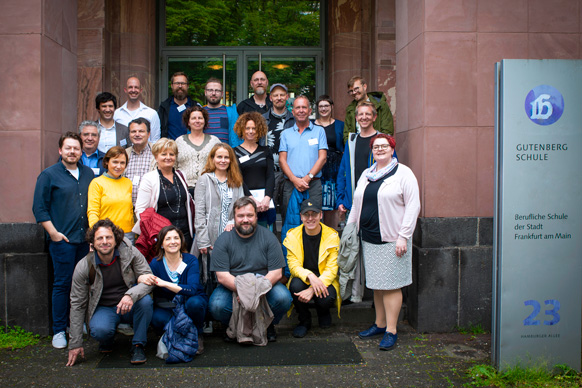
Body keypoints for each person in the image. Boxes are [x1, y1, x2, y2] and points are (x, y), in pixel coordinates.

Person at [347, 134, 420, 351]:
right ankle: (379, 324)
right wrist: (351, 231)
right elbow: (356, 203)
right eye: (375, 146)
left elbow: (413, 206)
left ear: (392, 149)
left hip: (393, 239)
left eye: (384, 146)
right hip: (369, 238)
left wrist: (404, 236)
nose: (379, 149)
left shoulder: (403, 173)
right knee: (377, 286)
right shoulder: (367, 174)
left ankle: (391, 330)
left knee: (390, 286)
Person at [32, 132, 94, 349]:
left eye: (76, 148)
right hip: (63, 241)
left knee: (83, 284)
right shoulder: (49, 175)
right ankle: (59, 330)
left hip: (84, 241)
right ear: (60, 150)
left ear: (81, 151)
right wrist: (54, 234)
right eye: (68, 148)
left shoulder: (88, 174)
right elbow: (39, 208)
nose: (72, 152)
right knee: (62, 284)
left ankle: (76, 325)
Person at [66, 219, 154, 366]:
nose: (104, 241)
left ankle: (138, 345)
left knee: (146, 302)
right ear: (92, 243)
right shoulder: (84, 266)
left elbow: (149, 280)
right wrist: (75, 343)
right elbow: (77, 304)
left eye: (108, 237)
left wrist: (130, 295)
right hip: (104, 308)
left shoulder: (130, 252)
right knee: (100, 330)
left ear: (116, 239)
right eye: (100, 238)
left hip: (130, 305)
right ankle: (107, 339)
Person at [208, 197, 292, 342]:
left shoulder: (269, 237)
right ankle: (232, 326)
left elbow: (276, 273)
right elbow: (222, 276)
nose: (245, 220)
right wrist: (244, 291)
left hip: (264, 286)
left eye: (249, 215)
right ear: (234, 218)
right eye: (240, 216)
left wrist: (254, 292)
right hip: (233, 287)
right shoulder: (223, 239)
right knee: (217, 305)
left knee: (283, 298)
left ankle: (267, 323)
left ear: (256, 216)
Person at [138, 225, 208, 353]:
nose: (173, 242)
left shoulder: (190, 260)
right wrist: (141, 278)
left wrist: (165, 283)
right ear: (161, 244)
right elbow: (146, 278)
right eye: (168, 239)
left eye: (176, 238)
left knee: (195, 304)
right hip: (168, 305)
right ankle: (178, 333)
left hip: (190, 301)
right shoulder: (156, 263)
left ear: (181, 242)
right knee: (157, 318)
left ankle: (197, 334)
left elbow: (192, 289)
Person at [284, 200, 341, 338]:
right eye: (306, 215)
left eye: (314, 214)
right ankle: (304, 320)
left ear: (321, 215)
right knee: (295, 286)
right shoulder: (292, 236)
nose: (310, 218)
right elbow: (293, 266)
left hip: (325, 278)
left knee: (325, 299)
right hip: (305, 277)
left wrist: (311, 289)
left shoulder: (332, 236)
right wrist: (310, 277)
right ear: (301, 217)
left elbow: (332, 270)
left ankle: (323, 312)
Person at [133, 138, 194, 251]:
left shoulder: (181, 175)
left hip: (184, 233)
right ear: (156, 157)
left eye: (171, 154)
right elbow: (140, 210)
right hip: (161, 236)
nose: (168, 157)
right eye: (163, 154)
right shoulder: (149, 178)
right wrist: (154, 231)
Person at [279, 95, 328, 224]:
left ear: (310, 111)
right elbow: (282, 160)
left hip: (313, 184)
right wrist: (295, 180)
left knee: (313, 222)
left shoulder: (319, 131)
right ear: (293, 112)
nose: (301, 110)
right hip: (291, 185)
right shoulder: (286, 134)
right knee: (290, 222)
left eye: (304, 107)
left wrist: (308, 177)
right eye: (298, 107)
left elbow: (322, 158)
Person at [194, 143, 247, 257]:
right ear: (212, 159)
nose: (223, 160)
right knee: (210, 268)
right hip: (209, 234)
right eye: (219, 157)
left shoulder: (236, 181)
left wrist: (233, 222)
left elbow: (242, 208)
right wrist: (203, 240)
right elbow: (199, 213)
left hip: (232, 234)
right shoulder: (204, 180)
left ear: (231, 160)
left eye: (226, 157)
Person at [233, 112, 276, 228]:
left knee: (266, 236)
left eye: (254, 128)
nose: (251, 131)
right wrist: (251, 199)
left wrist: (267, 198)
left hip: (265, 204)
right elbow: (238, 178)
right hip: (244, 201)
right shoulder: (234, 152)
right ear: (241, 129)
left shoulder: (266, 151)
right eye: (247, 128)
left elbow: (270, 176)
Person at [87, 146, 135, 243]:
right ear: (106, 162)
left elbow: (130, 210)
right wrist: (97, 234)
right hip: (106, 235)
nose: (119, 166)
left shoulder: (128, 182)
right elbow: (93, 212)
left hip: (127, 234)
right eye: (115, 162)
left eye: (122, 163)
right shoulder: (97, 183)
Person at [261, 83, 295, 208]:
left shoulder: (295, 120)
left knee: (289, 209)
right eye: (275, 95)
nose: (279, 98)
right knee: (270, 210)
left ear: (287, 97)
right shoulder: (262, 120)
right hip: (269, 172)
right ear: (270, 98)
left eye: (282, 95)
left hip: (291, 172)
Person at [175, 106, 221, 189]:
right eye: (193, 118)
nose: (197, 121)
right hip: (183, 188)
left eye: (200, 118)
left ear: (204, 121)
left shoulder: (214, 141)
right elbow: (173, 165)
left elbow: (221, 164)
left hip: (209, 188)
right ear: (188, 122)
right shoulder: (179, 141)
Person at [313, 95, 344, 218]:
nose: (323, 109)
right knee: (316, 202)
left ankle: (331, 233)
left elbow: (344, 145)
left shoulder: (340, 125)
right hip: (316, 166)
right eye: (320, 106)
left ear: (331, 107)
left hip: (334, 168)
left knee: (332, 201)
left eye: (326, 106)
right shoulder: (311, 125)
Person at [343, 76, 394, 141]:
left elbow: (387, 130)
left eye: (356, 89)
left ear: (364, 87)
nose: (354, 92)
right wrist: (351, 147)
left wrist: (378, 146)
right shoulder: (350, 109)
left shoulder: (381, 104)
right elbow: (347, 134)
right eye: (351, 91)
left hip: (377, 146)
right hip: (357, 146)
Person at [114, 76, 161, 142]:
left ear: (140, 90)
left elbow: (155, 141)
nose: (133, 90)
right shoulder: (117, 113)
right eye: (130, 87)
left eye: (136, 87)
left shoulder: (151, 113)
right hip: (123, 152)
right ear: (125, 90)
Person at [158, 71, 202, 140]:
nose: (180, 86)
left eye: (183, 83)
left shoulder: (195, 107)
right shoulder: (164, 107)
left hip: (191, 148)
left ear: (188, 86)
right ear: (172, 86)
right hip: (170, 149)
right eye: (177, 83)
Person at [124, 118, 155, 205]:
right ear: (129, 134)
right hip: (127, 208)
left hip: (150, 208)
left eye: (141, 131)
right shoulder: (124, 154)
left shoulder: (157, 153)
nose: (137, 134)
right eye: (133, 131)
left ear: (148, 134)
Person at [203, 77, 239, 145]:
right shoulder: (199, 113)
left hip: (226, 154)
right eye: (210, 90)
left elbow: (237, 137)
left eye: (217, 90)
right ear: (205, 92)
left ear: (222, 94)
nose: (213, 93)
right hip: (205, 154)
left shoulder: (231, 113)